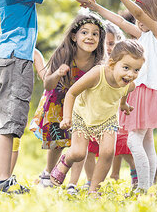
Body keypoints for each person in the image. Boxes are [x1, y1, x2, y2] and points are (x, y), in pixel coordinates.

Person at [0, 0, 120, 193]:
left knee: (2, 122)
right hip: (17, 60)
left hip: (3, 58)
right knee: (11, 124)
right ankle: (3, 181)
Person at [80, 0, 157, 193]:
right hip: (143, 92)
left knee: (134, 141)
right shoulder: (146, 36)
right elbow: (121, 22)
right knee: (147, 142)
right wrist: (95, 7)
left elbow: (140, 15)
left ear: (154, 13)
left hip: (145, 91)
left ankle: (142, 189)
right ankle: (148, 187)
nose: (136, 18)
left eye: (140, 13)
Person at [49, 40, 145, 194]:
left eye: (136, 70)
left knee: (108, 153)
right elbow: (72, 93)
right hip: (83, 115)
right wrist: (67, 117)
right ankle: (65, 160)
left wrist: (123, 104)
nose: (131, 74)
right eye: (126, 68)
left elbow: (125, 91)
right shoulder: (98, 73)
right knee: (79, 153)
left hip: (107, 119)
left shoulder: (130, 83)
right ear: (112, 64)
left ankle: (94, 190)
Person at [30, 11, 106, 195]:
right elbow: (47, 84)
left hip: (82, 105)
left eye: (95, 34)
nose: (90, 37)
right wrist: (57, 74)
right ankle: (47, 173)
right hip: (58, 101)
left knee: (80, 143)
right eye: (85, 32)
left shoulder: (98, 62)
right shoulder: (64, 53)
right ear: (74, 36)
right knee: (57, 142)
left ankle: (72, 183)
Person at [0, 43, 45, 192]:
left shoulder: (33, 52)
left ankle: (5, 179)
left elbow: (45, 75)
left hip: (16, 104)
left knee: (13, 142)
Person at [83, 22, 138, 189]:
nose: (108, 47)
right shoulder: (93, 63)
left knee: (122, 145)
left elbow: (128, 85)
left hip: (113, 114)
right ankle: (91, 181)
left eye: (112, 43)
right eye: (105, 43)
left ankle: (136, 175)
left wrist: (123, 103)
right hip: (93, 114)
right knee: (90, 149)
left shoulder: (122, 66)